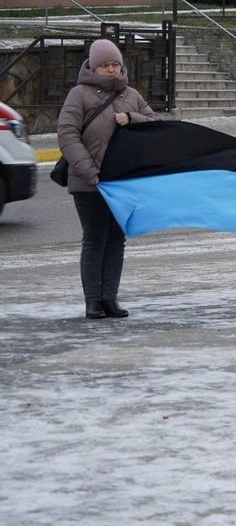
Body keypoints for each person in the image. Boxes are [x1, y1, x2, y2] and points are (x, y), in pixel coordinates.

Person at [57, 38, 156, 319]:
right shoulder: (79, 94)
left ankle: (109, 297)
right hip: (90, 182)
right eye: (105, 65)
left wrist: (132, 118)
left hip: (122, 183)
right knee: (95, 239)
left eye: (115, 64)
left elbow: (156, 124)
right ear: (93, 67)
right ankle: (92, 300)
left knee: (116, 239)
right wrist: (89, 171)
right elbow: (67, 134)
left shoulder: (132, 96)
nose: (112, 70)